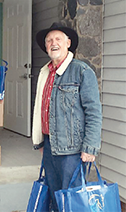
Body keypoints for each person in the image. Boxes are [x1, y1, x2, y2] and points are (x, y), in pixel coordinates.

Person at [32, 22, 102, 212]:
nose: (53, 43)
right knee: (55, 199)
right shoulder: (45, 72)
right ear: (46, 46)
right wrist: (39, 142)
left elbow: (94, 111)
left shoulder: (81, 71)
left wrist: (90, 147)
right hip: (49, 145)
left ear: (68, 43)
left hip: (72, 150)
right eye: (49, 41)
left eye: (58, 39)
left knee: (73, 201)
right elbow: (41, 108)